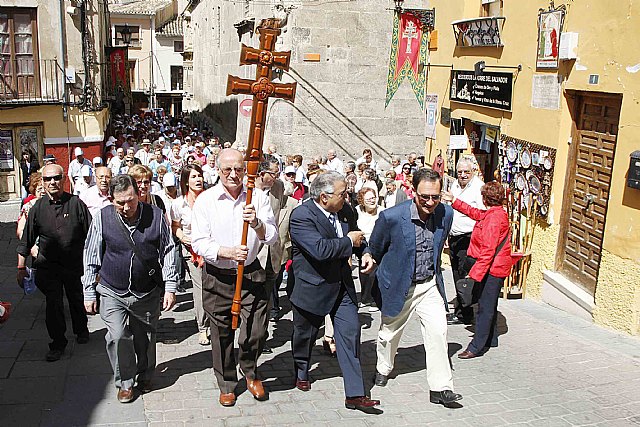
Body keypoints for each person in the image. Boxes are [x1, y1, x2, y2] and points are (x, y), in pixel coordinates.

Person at [190, 149, 278, 407]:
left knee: (256, 330)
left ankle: (249, 370)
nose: (233, 174)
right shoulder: (206, 201)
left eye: (239, 169)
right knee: (222, 334)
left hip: (250, 273)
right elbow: (199, 241)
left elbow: (271, 236)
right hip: (218, 276)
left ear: (246, 170)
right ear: (217, 170)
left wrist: (258, 224)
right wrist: (225, 252)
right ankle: (227, 382)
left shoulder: (258, 197)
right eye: (227, 169)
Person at [368, 168, 462, 407]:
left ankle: (441, 388)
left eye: (435, 197)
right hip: (400, 286)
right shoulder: (391, 217)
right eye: (424, 197)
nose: (430, 202)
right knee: (389, 334)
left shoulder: (446, 214)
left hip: (429, 284)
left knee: (438, 331)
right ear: (413, 192)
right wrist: (369, 257)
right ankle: (383, 367)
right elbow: (375, 247)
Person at [287, 170, 380, 412]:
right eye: (342, 193)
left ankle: (355, 394)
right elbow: (319, 249)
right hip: (312, 288)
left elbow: (358, 238)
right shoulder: (301, 216)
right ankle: (302, 369)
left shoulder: (345, 210)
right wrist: (349, 242)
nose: (346, 197)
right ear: (324, 197)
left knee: (350, 336)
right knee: (304, 336)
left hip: (342, 286)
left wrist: (365, 252)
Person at [82, 174, 178, 403]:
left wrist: (171, 286)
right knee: (117, 336)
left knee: (144, 339)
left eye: (131, 200)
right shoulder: (102, 217)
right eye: (120, 202)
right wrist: (88, 290)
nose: (127, 207)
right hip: (112, 290)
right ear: (111, 199)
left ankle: (144, 374)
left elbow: (168, 249)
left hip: (146, 291)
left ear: (138, 195)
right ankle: (125, 382)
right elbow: (91, 254)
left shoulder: (155, 216)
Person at [16, 164, 91, 361]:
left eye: (56, 178)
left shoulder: (76, 204)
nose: (52, 182)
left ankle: (81, 330)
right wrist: (21, 267)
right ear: (42, 182)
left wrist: (96, 266)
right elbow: (26, 240)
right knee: (53, 304)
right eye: (48, 179)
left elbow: (92, 236)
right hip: (48, 266)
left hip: (73, 264)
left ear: (64, 179)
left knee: (76, 297)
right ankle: (57, 343)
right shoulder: (37, 208)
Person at [442, 181, 513, 359]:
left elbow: (488, 251)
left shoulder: (494, 219)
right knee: (489, 304)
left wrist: (474, 275)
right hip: (493, 267)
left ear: (485, 198)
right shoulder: (493, 213)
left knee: (485, 307)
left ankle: (476, 346)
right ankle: (490, 338)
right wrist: (455, 201)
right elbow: (475, 213)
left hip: (492, 269)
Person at [171, 164, 209, 345]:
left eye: (200, 175)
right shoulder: (179, 204)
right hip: (192, 252)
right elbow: (175, 226)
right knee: (200, 287)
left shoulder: (211, 199)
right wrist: (182, 237)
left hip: (212, 248)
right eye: (194, 177)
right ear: (186, 181)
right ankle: (203, 327)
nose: (198, 179)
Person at [447, 158, 485, 325]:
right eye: (460, 172)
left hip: (469, 237)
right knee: (456, 272)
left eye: (466, 172)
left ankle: (465, 314)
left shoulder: (478, 187)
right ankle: (461, 309)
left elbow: (481, 213)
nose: (462, 175)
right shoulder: (454, 184)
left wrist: (457, 203)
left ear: (473, 171)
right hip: (454, 236)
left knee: (464, 274)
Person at [254, 159, 288, 324]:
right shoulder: (247, 189)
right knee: (252, 299)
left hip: (272, 252)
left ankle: (262, 334)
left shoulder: (279, 187)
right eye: (274, 174)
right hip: (252, 253)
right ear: (262, 174)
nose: (277, 177)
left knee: (266, 298)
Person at [355, 187, 383, 311]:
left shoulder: (383, 212)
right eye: (369, 199)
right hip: (362, 245)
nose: (372, 201)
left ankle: (374, 300)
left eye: (374, 198)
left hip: (378, 244)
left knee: (375, 273)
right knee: (364, 272)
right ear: (362, 201)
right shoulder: (356, 211)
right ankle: (365, 298)